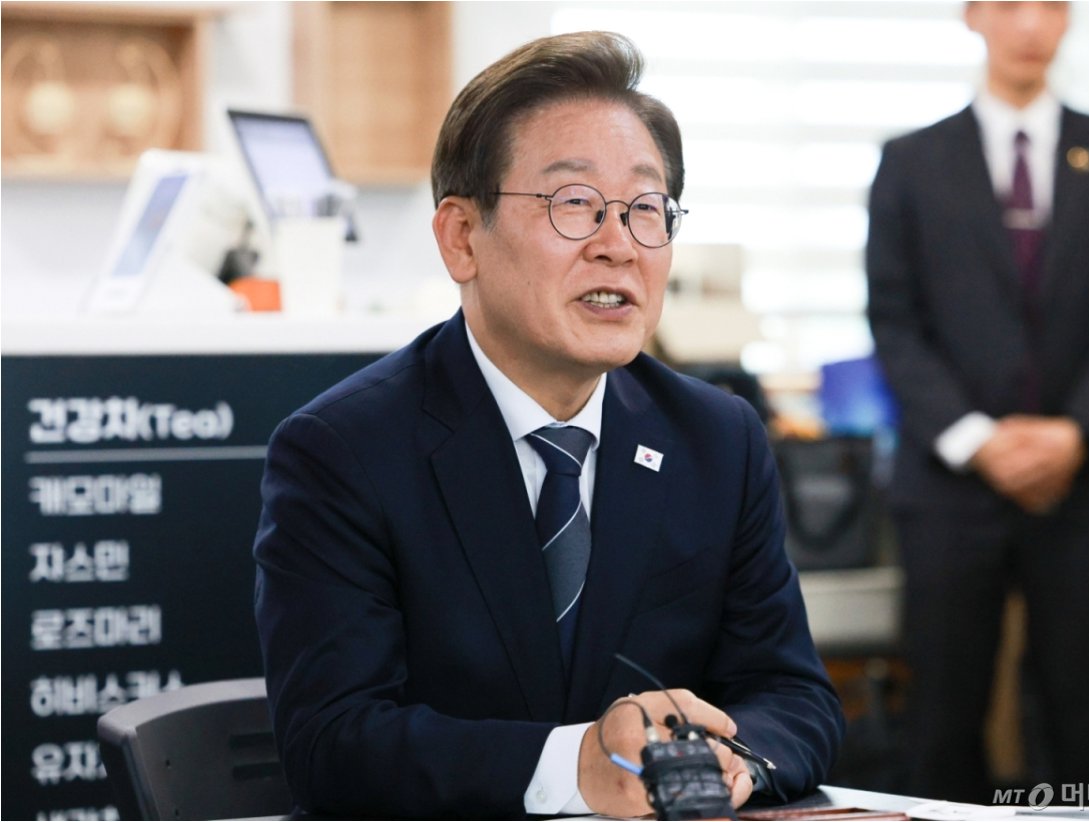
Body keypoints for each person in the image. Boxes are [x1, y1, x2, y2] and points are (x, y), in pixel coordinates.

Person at [253, 31, 843, 819]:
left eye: (645, 209)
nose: (618, 246)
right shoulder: (343, 451)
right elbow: (333, 742)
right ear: (462, 238)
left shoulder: (717, 439)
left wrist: (727, 762)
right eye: (574, 205)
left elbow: (792, 696)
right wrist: (577, 766)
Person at [866, 1, 1089, 803]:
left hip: (1084, 482)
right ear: (973, 17)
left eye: (1051, 5)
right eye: (1009, 4)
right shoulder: (910, 161)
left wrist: (1075, 433)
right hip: (949, 482)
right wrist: (978, 440)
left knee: (1086, 712)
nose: (1030, 24)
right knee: (943, 716)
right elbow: (894, 320)